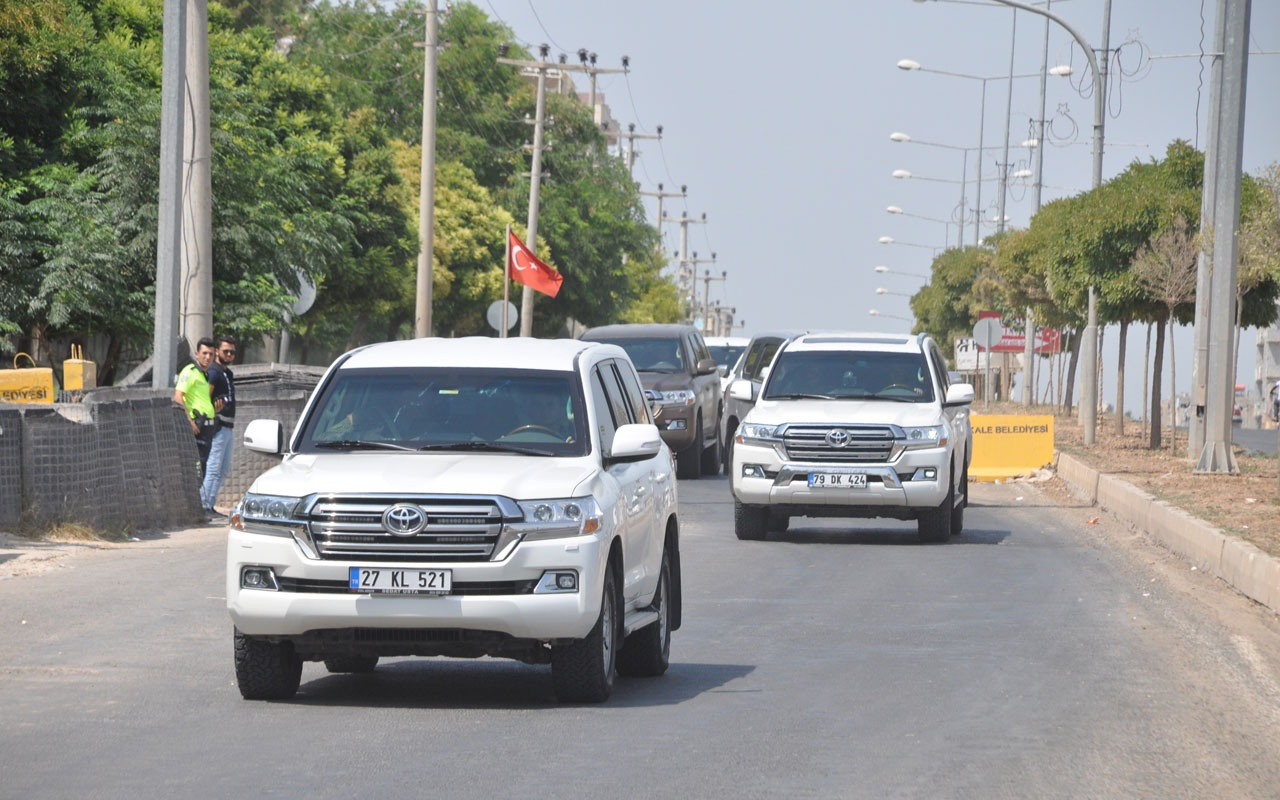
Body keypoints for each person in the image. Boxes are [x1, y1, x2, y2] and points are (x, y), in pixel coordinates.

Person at [174, 338, 217, 492]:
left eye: (211, 354)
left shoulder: (204, 375)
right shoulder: (190, 371)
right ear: (197, 354)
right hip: (197, 428)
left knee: (203, 466)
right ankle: (196, 503)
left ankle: (199, 503)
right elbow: (178, 397)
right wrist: (189, 422)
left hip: (207, 428)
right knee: (196, 467)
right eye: (204, 353)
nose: (208, 357)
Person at [201, 335, 237, 519]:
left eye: (232, 352)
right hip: (219, 426)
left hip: (228, 427)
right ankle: (203, 506)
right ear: (217, 351)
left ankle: (210, 505)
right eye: (226, 351)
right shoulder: (214, 371)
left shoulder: (227, 373)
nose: (229, 354)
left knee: (222, 470)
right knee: (214, 467)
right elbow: (206, 397)